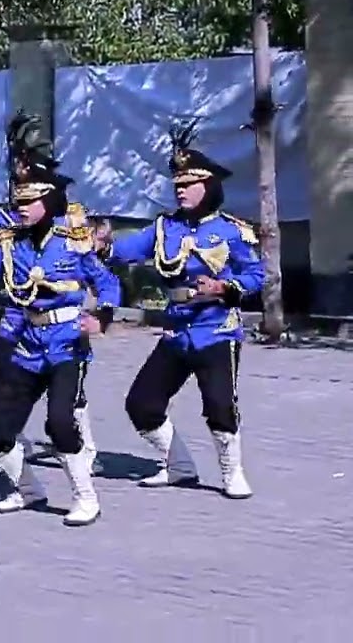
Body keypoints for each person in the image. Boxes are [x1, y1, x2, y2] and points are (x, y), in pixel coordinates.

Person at [0, 166, 120, 526]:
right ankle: (28, 489)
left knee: (59, 423)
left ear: (50, 201)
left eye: (30, 199)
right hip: (27, 346)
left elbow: (107, 283)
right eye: (18, 199)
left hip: (66, 345)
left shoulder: (74, 242)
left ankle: (85, 497)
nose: (21, 206)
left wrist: (101, 318)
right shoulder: (12, 245)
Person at [98, 119, 263, 500]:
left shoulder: (231, 231)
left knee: (220, 407)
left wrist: (225, 287)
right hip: (175, 331)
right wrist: (102, 246)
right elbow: (124, 252)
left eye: (189, 185)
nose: (181, 191)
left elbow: (257, 274)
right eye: (177, 185)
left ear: (209, 187)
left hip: (217, 329)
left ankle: (231, 472)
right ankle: (178, 466)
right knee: (141, 404)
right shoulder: (163, 228)